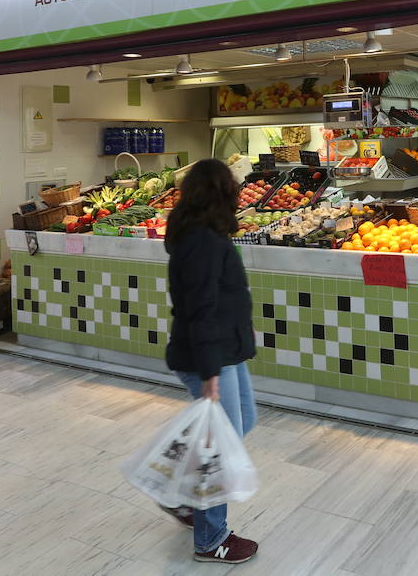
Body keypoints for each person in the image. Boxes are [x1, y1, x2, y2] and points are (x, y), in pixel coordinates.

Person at [160, 158, 259, 564]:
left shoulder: (204, 234)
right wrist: (210, 372)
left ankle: (184, 498)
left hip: (224, 348)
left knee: (244, 421)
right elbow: (201, 309)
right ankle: (210, 536)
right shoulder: (202, 240)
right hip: (210, 354)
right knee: (221, 444)